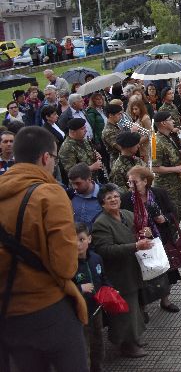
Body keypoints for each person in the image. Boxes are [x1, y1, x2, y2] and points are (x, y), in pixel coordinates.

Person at [0, 126, 89, 371]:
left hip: (8, 311)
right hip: (48, 310)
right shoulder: (49, 194)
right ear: (46, 158)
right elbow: (65, 266)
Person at [91, 183, 151, 358]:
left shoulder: (127, 214)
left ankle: (135, 338)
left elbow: (139, 231)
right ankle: (126, 344)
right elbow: (105, 250)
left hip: (134, 269)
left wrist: (145, 233)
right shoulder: (101, 224)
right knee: (124, 311)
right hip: (118, 274)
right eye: (109, 198)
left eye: (116, 196)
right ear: (102, 203)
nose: (114, 200)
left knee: (136, 307)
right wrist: (135, 245)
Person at [123, 166, 180, 314]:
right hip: (139, 241)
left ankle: (165, 300)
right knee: (142, 273)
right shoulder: (125, 199)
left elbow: (173, 212)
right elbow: (123, 220)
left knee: (165, 269)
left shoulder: (158, 194)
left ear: (145, 181)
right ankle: (142, 307)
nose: (131, 185)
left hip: (161, 238)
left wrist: (164, 219)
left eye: (134, 182)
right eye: (129, 182)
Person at [73, 223, 107, 372]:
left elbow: (103, 277)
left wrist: (109, 289)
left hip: (96, 309)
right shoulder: (69, 264)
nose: (78, 244)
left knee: (98, 341)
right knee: (82, 345)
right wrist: (80, 288)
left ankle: (98, 367)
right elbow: (62, 287)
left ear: (89, 239)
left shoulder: (96, 258)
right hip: (78, 312)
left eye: (81, 239)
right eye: (73, 240)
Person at [151, 111, 181, 222]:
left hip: (175, 185)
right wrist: (176, 169)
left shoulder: (168, 137)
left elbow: (170, 155)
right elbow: (154, 167)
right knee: (171, 218)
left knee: (177, 216)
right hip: (165, 187)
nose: (173, 121)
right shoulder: (155, 142)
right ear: (163, 123)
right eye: (170, 119)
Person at [60, 118, 105, 183]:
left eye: (85, 128)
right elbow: (71, 172)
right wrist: (91, 167)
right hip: (82, 184)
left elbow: (89, 152)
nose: (86, 131)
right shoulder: (67, 148)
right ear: (73, 132)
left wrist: (95, 154)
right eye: (82, 129)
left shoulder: (83, 140)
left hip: (94, 179)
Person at [68, 163, 103, 229]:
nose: (74, 187)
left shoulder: (105, 195)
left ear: (89, 180)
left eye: (78, 183)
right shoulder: (70, 195)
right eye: (72, 183)